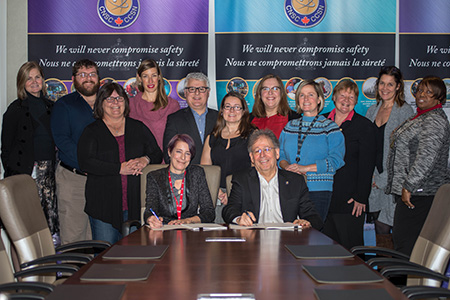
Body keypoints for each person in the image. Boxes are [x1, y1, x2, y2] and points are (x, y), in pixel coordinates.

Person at [78, 82, 163, 244]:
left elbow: (157, 154)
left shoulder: (138, 127)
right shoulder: (92, 131)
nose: (115, 103)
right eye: (109, 99)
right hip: (103, 205)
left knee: (132, 257)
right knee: (105, 258)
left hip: (134, 205)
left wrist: (145, 159)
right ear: (101, 103)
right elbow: (86, 163)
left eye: (119, 99)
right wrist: (119, 168)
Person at [386, 75, 450, 256]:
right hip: (413, 193)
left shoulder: (434, 120)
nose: (422, 95)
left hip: (420, 195)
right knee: (404, 243)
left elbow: (426, 157)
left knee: (407, 246)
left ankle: (406, 284)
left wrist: (409, 186)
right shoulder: (421, 116)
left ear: (439, 98)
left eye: (429, 92)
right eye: (420, 90)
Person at [1, 61, 59, 239]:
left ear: (43, 79)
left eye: (37, 77)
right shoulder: (15, 109)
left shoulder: (52, 106)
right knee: (25, 229)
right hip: (26, 174)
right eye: (29, 79)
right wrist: (15, 174)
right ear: (22, 83)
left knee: (50, 225)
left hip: (50, 173)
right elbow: (6, 148)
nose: (34, 82)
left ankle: (51, 264)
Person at [222, 129, 322, 229]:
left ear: (277, 153)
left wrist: (306, 222)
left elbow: (313, 215)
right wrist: (239, 219)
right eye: (257, 151)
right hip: (254, 237)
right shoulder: (242, 179)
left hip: (287, 237)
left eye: (267, 149)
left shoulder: (296, 181)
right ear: (252, 157)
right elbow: (230, 209)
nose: (262, 155)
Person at [278, 80, 345, 222]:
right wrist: (287, 167)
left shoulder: (330, 128)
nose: (306, 99)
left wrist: (304, 168)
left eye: (310, 95)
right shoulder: (289, 126)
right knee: (290, 235)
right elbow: (281, 155)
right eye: (302, 95)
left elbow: (336, 160)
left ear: (319, 99)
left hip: (318, 190)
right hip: (290, 188)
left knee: (312, 235)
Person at [322, 80, 377, 249]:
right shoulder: (320, 122)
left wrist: (361, 197)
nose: (346, 100)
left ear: (356, 100)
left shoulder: (365, 126)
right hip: (323, 198)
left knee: (351, 251)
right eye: (343, 95)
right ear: (334, 97)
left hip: (350, 202)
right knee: (325, 251)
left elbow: (367, 165)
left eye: (351, 97)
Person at [51, 59, 99, 244]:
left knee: (97, 238)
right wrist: (87, 164)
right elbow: (62, 141)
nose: (88, 78)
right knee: (73, 238)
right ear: (73, 79)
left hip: (100, 181)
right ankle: (70, 274)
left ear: (98, 78)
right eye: (82, 75)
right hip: (73, 179)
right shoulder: (64, 105)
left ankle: (92, 274)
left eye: (92, 74)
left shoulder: (108, 104)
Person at [365, 66, 414, 249]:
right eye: (382, 83)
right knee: (379, 232)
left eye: (390, 84)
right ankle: (383, 273)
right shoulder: (372, 110)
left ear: (398, 87)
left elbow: (407, 153)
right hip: (373, 182)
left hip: (392, 184)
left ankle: (395, 275)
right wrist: (370, 176)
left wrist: (384, 179)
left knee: (392, 231)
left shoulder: (405, 111)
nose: (385, 88)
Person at [201, 91, 256, 222]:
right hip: (215, 196)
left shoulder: (253, 135)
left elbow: (256, 169)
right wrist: (218, 192)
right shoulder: (212, 137)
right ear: (222, 111)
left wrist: (233, 193)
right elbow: (204, 170)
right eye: (227, 106)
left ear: (243, 111)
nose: (232, 110)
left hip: (244, 196)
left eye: (237, 107)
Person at [145, 134, 215, 228]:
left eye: (187, 153)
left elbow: (209, 212)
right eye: (179, 152)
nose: (183, 158)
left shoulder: (197, 173)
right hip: (164, 229)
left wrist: (188, 221)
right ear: (170, 152)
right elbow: (150, 210)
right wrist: (151, 218)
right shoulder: (155, 177)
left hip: (190, 231)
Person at [163, 72, 218, 164]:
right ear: (185, 92)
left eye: (202, 89)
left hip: (216, 175)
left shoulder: (220, 118)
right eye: (192, 89)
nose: (197, 93)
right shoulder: (174, 119)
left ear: (208, 92)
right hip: (186, 175)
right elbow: (169, 154)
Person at [129, 59, 179, 152]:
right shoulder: (130, 105)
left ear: (159, 77)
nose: (150, 80)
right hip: (140, 163)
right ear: (140, 78)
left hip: (166, 162)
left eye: (154, 75)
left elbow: (177, 140)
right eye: (145, 76)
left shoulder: (173, 105)